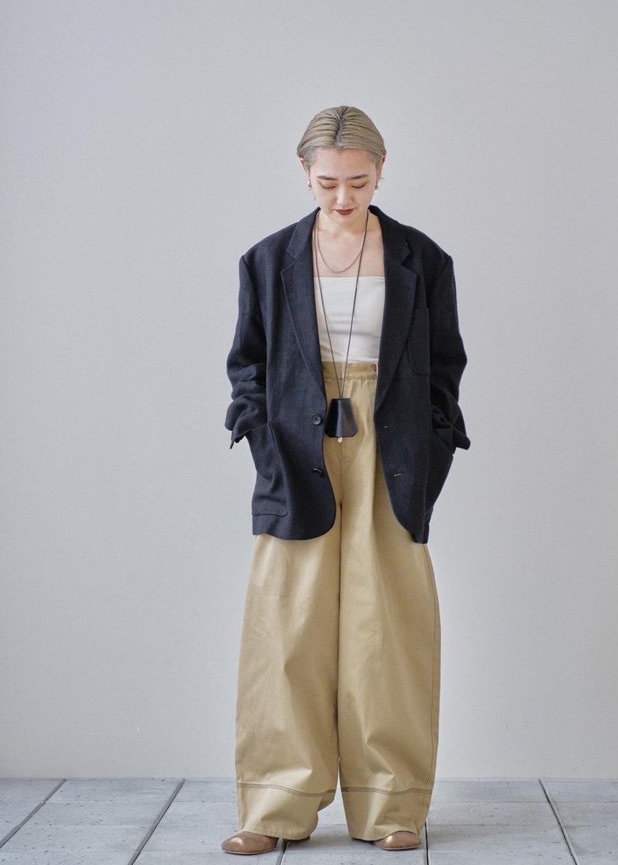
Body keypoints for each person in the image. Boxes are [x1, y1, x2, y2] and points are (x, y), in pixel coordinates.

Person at [221, 105, 470, 855]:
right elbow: (247, 365)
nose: (342, 197)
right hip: (296, 442)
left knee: (385, 630)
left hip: (390, 444)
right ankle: (273, 808)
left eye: (357, 182)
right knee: (285, 629)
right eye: (328, 182)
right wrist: (262, 438)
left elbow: (446, 365)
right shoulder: (269, 259)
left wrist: (432, 446)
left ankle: (392, 806)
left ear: (381, 172)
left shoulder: (422, 259)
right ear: (305, 174)